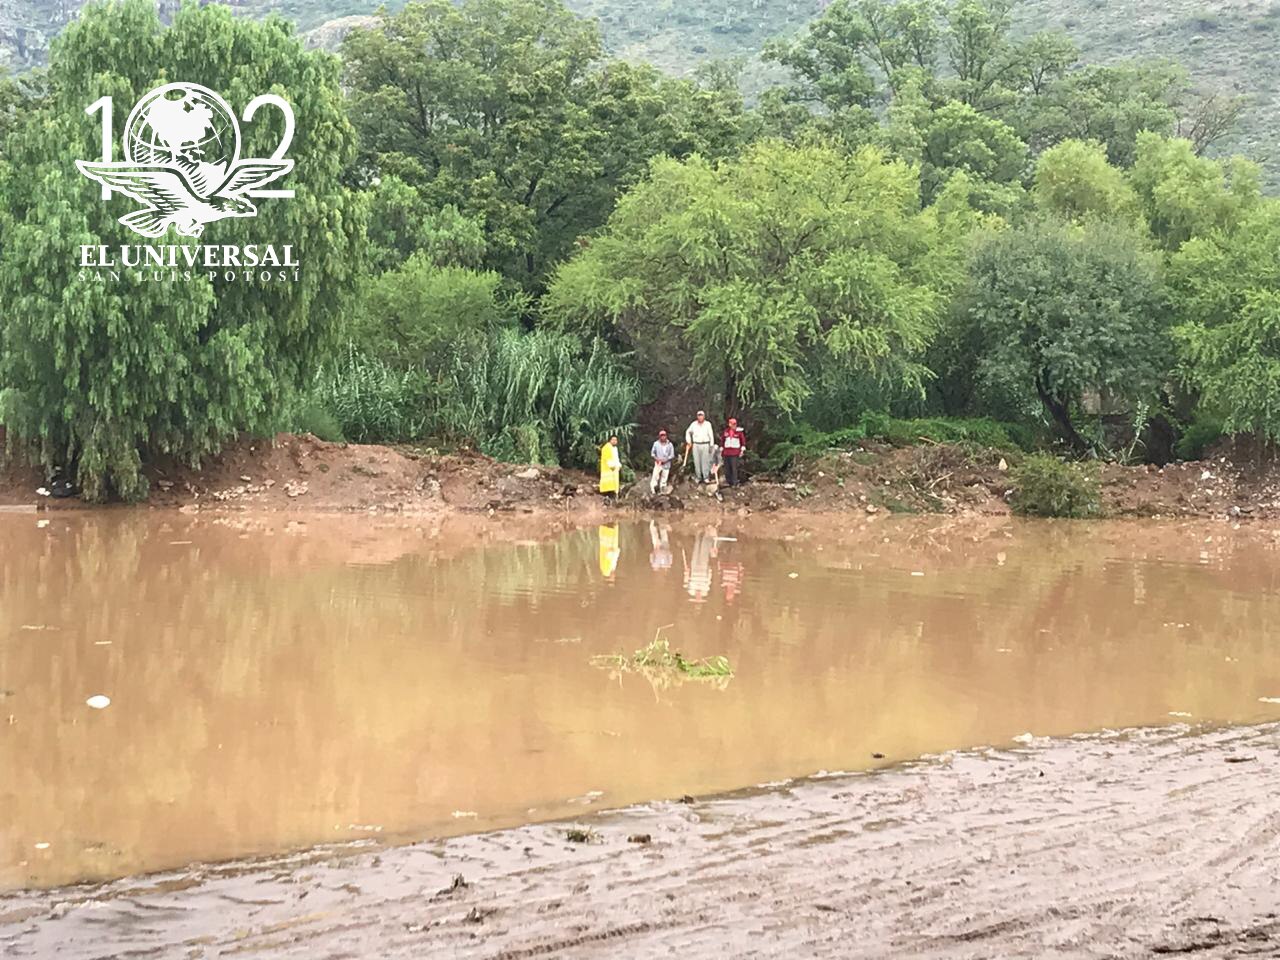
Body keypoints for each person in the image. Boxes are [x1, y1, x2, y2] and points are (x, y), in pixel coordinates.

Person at [684, 410, 715, 483]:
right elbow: (688, 432)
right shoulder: (693, 424)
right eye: (699, 415)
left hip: (705, 444)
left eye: (701, 415)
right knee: (696, 461)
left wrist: (711, 445)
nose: (700, 417)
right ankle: (698, 477)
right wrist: (689, 441)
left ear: (704, 416)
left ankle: (706, 477)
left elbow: (711, 435)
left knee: (705, 461)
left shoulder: (708, 424)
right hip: (696, 444)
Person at [721, 417, 746, 487]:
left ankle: (734, 482)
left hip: (735, 452)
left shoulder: (739, 432)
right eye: (732, 424)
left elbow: (743, 442)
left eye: (735, 424)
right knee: (727, 468)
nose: (733, 425)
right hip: (726, 452)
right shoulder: (726, 432)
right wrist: (722, 449)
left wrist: (742, 451)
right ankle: (728, 481)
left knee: (734, 468)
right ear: (729, 424)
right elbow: (722, 440)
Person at [650, 429, 675, 495]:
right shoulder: (656, 444)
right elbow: (652, 453)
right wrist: (657, 459)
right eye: (661, 436)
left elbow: (672, 455)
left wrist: (666, 460)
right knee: (655, 476)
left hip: (666, 464)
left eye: (664, 435)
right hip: (658, 464)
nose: (663, 437)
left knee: (664, 478)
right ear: (659, 436)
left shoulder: (670, 444)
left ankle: (662, 489)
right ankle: (653, 490)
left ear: (666, 436)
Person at [598, 436, 621, 500]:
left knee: (614, 484)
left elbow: (616, 458)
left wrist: (618, 465)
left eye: (616, 440)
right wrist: (613, 466)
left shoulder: (614, 448)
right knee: (608, 484)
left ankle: (614, 496)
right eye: (613, 440)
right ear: (610, 440)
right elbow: (608, 459)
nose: (614, 441)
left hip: (615, 468)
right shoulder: (606, 448)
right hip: (608, 469)